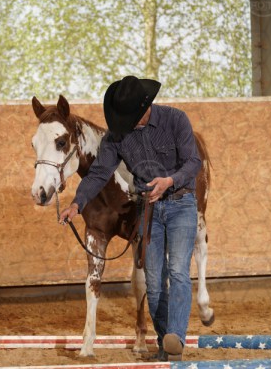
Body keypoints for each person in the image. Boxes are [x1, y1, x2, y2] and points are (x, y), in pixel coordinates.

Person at [59, 75, 201, 362]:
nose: (127, 124)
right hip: (149, 209)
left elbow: (193, 162)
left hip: (181, 203)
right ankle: (165, 346)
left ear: (146, 106)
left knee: (177, 271)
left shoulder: (176, 120)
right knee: (154, 282)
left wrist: (169, 180)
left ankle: (176, 336)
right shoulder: (118, 135)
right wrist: (77, 203)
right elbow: (99, 172)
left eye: (131, 117)